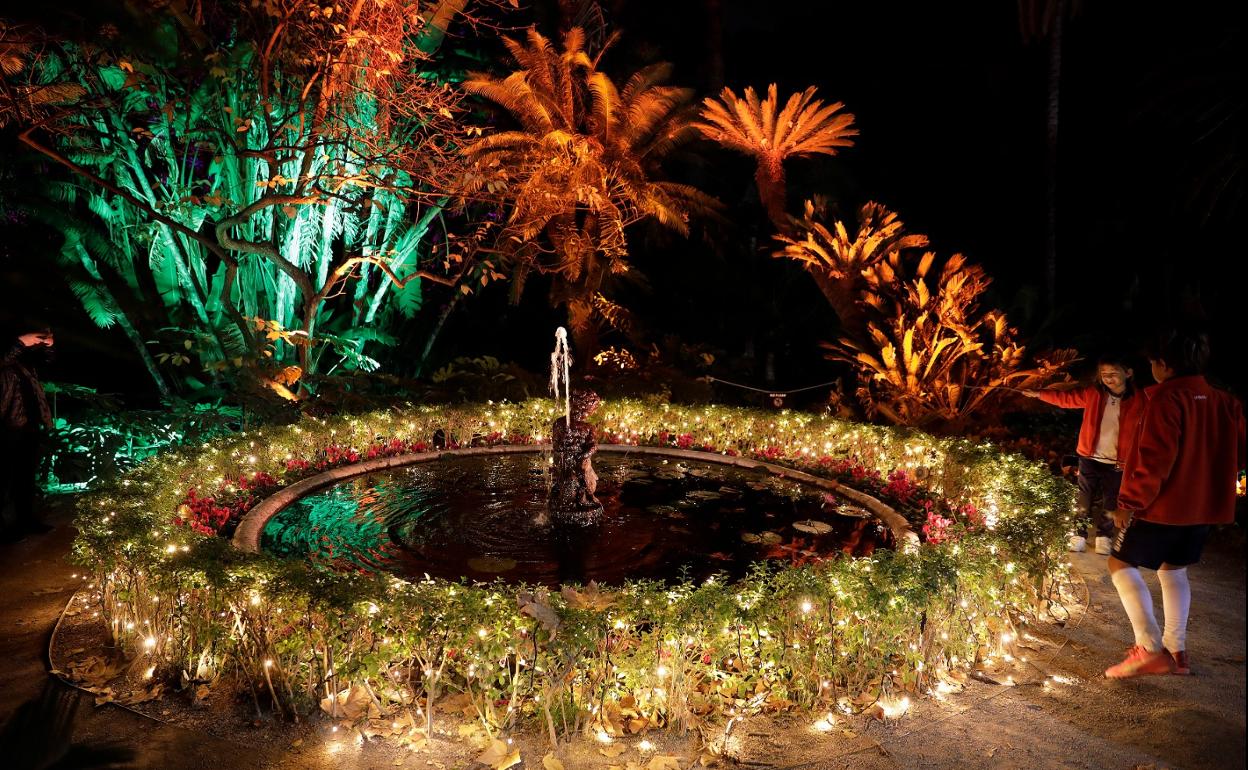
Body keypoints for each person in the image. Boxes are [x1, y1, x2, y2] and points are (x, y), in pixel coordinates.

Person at [1102, 328, 1245, 678]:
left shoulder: (1165, 399)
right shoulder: (1226, 402)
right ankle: (1177, 651)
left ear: (1164, 364)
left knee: (1120, 565)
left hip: (1161, 507)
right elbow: (1238, 453)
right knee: (1173, 569)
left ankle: (1149, 647)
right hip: (1202, 508)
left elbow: (1153, 459)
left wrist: (1129, 502)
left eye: (1153, 361)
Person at [1024, 352, 1147, 555]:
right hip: (1089, 456)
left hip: (1118, 461)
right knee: (1084, 497)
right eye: (1104, 373)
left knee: (1111, 499)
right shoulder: (1094, 394)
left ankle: (1104, 537)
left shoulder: (1140, 400)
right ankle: (1078, 535)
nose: (1108, 377)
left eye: (1113, 373)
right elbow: (1067, 399)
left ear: (1129, 373)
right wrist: (1039, 394)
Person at [0, 321, 56, 542]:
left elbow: (47, 363)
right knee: (4, 479)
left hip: (28, 425)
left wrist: (48, 346)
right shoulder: (7, 356)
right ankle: (5, 529)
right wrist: (20, 342)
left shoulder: (23, 361)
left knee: (25, 478)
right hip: (6, 426)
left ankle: (26, 521)